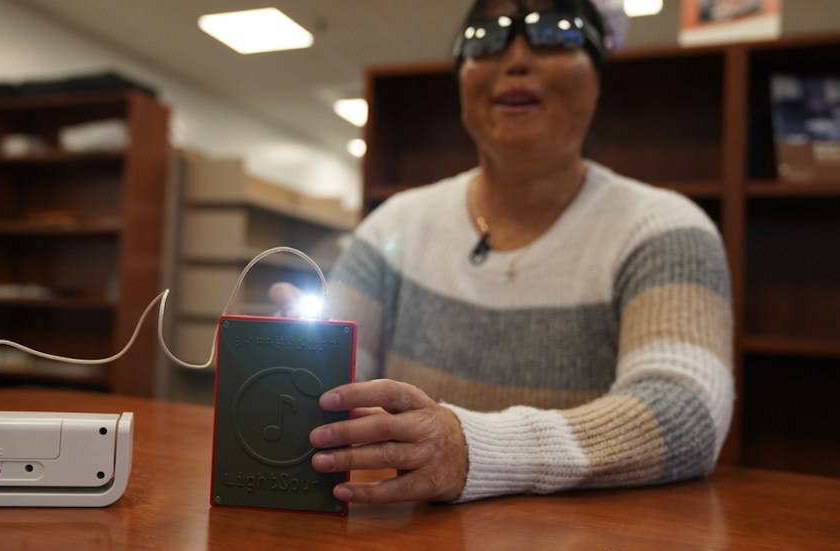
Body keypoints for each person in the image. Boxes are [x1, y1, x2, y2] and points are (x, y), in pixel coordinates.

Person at [271, 0, 733, 505]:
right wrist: (297, 362)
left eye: (555, 32)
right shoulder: (393, 225)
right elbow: (340, 381)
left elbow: (687, 411)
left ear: (598, 74)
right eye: (486, 38)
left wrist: (469, 448)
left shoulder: (667, 229)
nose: (515, 60)